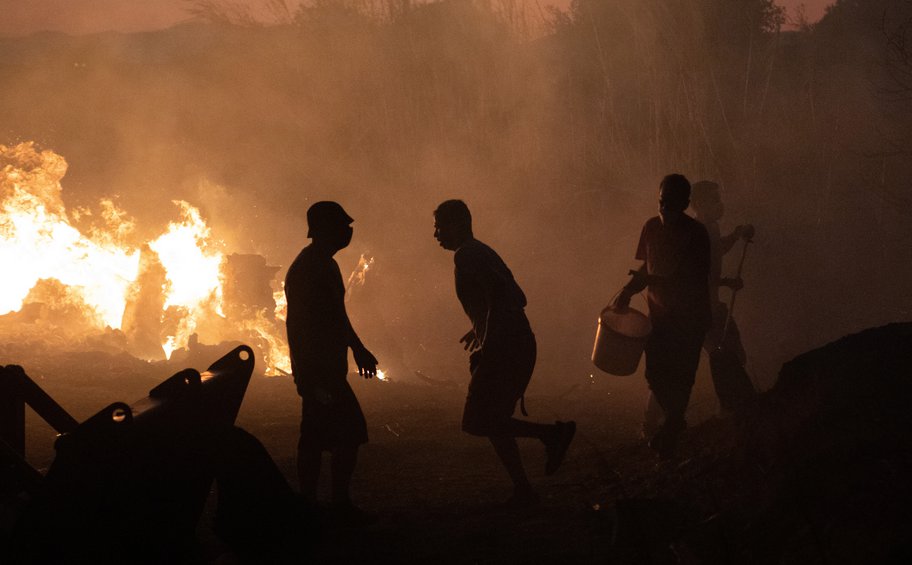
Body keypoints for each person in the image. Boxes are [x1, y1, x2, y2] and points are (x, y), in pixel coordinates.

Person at [433, 199, 576, 507]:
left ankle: (551, 435)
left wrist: (490, 341)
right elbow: (517, 297)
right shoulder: (482, 251)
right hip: (515, 342)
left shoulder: (466, 255)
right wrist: (480, 328)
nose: (435, 234)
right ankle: (523, 488)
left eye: (439, 226)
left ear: (457, 224)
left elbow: (503, 297)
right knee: (496, 419)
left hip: (507, 347)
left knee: (475, 420)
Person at [285, 201, 378, 522]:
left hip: (322, 369)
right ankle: (330, 504)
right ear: (324, 230)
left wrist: (357, 348)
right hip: (319, 370)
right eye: (342, 226)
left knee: (316, 435)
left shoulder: (322, 264)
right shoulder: (311, 267)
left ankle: (312, 503)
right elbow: (302, 324)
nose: (348, 231)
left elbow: (336, 315)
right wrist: (308, 377)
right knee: (347, 433)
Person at [615, 175, 711, 459]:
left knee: (682, 376)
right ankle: (674, 421)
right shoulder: (651, 227)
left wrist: (651, 282)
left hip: (690, 318)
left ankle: (669, 439)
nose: (664, 207)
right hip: (660, 317)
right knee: (654, 373)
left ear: (684, 204)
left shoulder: (696, 234)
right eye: (661, 201)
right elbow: (647, 266)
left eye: (670, 202)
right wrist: (628, 290)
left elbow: (693, 279)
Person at [690, 180, 756, 413]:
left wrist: (737, 234)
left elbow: (718, 249)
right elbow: (698, 274)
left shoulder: (711, 228)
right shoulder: (697, 232)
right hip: (702, 309)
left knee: (729, 355)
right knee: (727, 355)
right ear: (697, 203)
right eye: (714, 199)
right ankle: (731, 410)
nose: (720, 204)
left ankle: (729, 409)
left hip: (710, 305)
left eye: (719, 199)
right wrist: (727, 282)